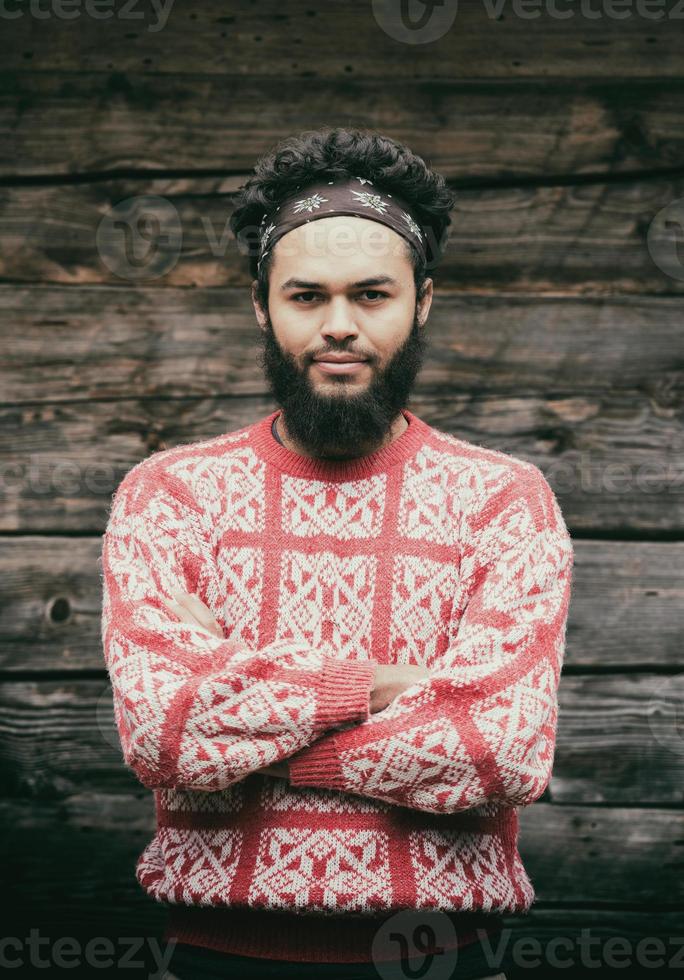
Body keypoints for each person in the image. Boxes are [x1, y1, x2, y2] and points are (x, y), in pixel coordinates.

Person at [100, 127, 573, 980]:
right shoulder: (168, 495)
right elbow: (162, 734)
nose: (340, 327)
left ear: (421, 301)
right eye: (308, 297)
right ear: (261, 303)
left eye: (372, 295)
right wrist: (382, 687)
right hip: (216, 955)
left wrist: (246, 720)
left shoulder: (505, 500)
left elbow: (501, 749)